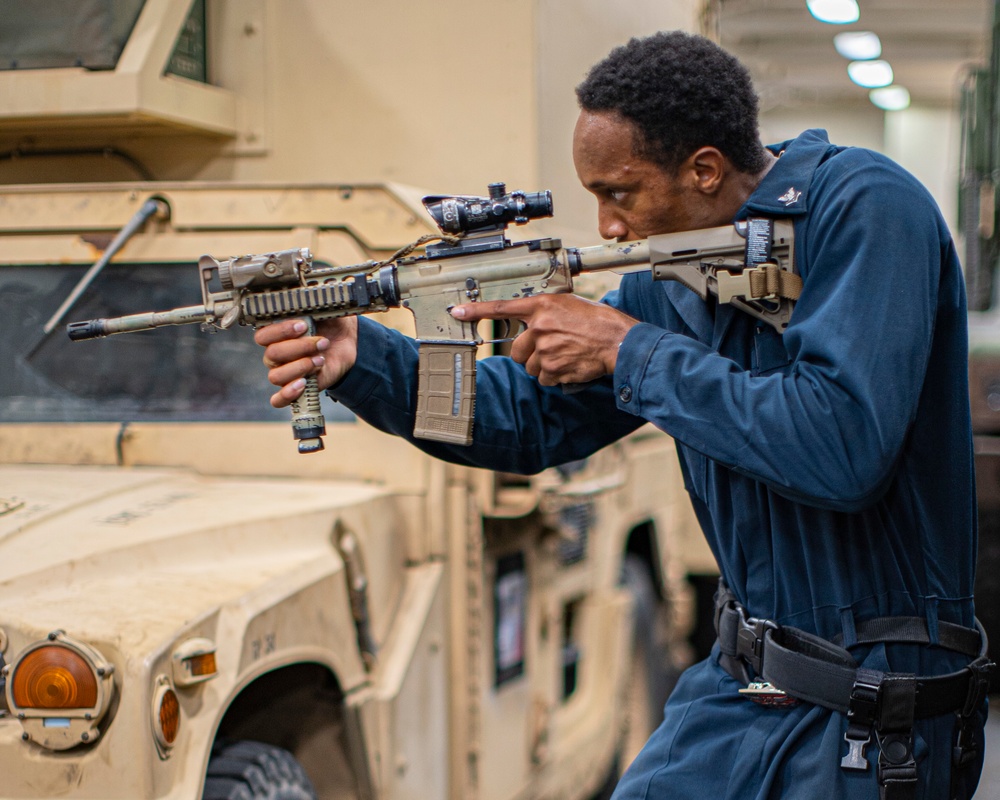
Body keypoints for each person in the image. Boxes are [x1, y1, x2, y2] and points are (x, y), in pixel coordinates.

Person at [256, 31, 990, 800]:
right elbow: (531, 420)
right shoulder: (678, 275)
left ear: (704, 169)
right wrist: (364, 361)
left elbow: (840, 447)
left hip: (873, 708)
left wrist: (628, 349)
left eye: (620, 193)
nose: (607, 227)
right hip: (743, 685)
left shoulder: (867, 208)